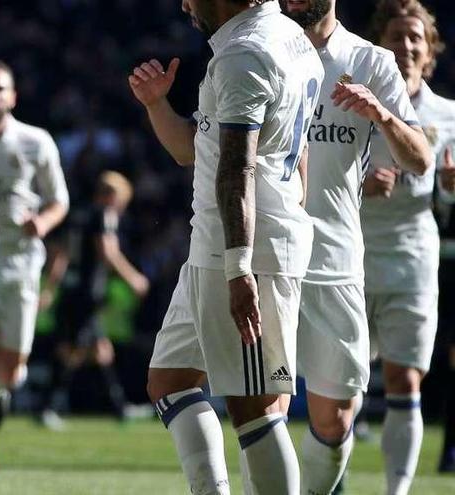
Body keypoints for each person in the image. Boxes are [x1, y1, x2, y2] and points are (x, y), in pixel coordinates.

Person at [133, 0, 324, 492]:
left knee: (254, 408)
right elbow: (194, 153)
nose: (184, 4)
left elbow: (238, 169)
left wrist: (242, 269)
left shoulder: (245, 53)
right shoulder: (290, 39)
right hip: (215, 248)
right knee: (169, 381)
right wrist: (158, 104)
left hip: (240, 252)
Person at [280, 0, 434, 493]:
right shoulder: (262, 49)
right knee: (265, 407)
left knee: (336, 419)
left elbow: (420, 161)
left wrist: (382, 115)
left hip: (337, 260)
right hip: (271, 254)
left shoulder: (370, 61)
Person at [361, 0, 455, 490]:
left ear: (430, 50)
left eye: (415, 36)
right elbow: (316, 174)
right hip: (349, 255)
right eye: (396, 36)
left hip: (414, 257)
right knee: (344, 385)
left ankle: (396, 490)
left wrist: (451, 189)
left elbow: (446, 201)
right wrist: (361, 186)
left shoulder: (449, 115)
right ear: (379, 46)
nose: (406, 45)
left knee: (406, 380)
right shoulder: (350, 104)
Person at [0, 59, 69, 480]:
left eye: (0, 88)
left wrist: (41, 223)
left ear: (13, 97)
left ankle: (3, 396)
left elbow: (58, 200)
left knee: (12, 369)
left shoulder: (36, 141)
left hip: (21, 261)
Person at [38, 170, 148, 427]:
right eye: (121, 201)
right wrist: (133, 278)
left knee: (98, 350)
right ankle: (47, 406)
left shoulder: (77, 213)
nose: (120, 208)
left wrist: (52, 288)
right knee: (71, 351)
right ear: (110, 196)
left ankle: (119, 408)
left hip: (71, 289)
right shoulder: (103, 214)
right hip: (88, 292)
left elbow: (60, 254)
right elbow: (107, 252)